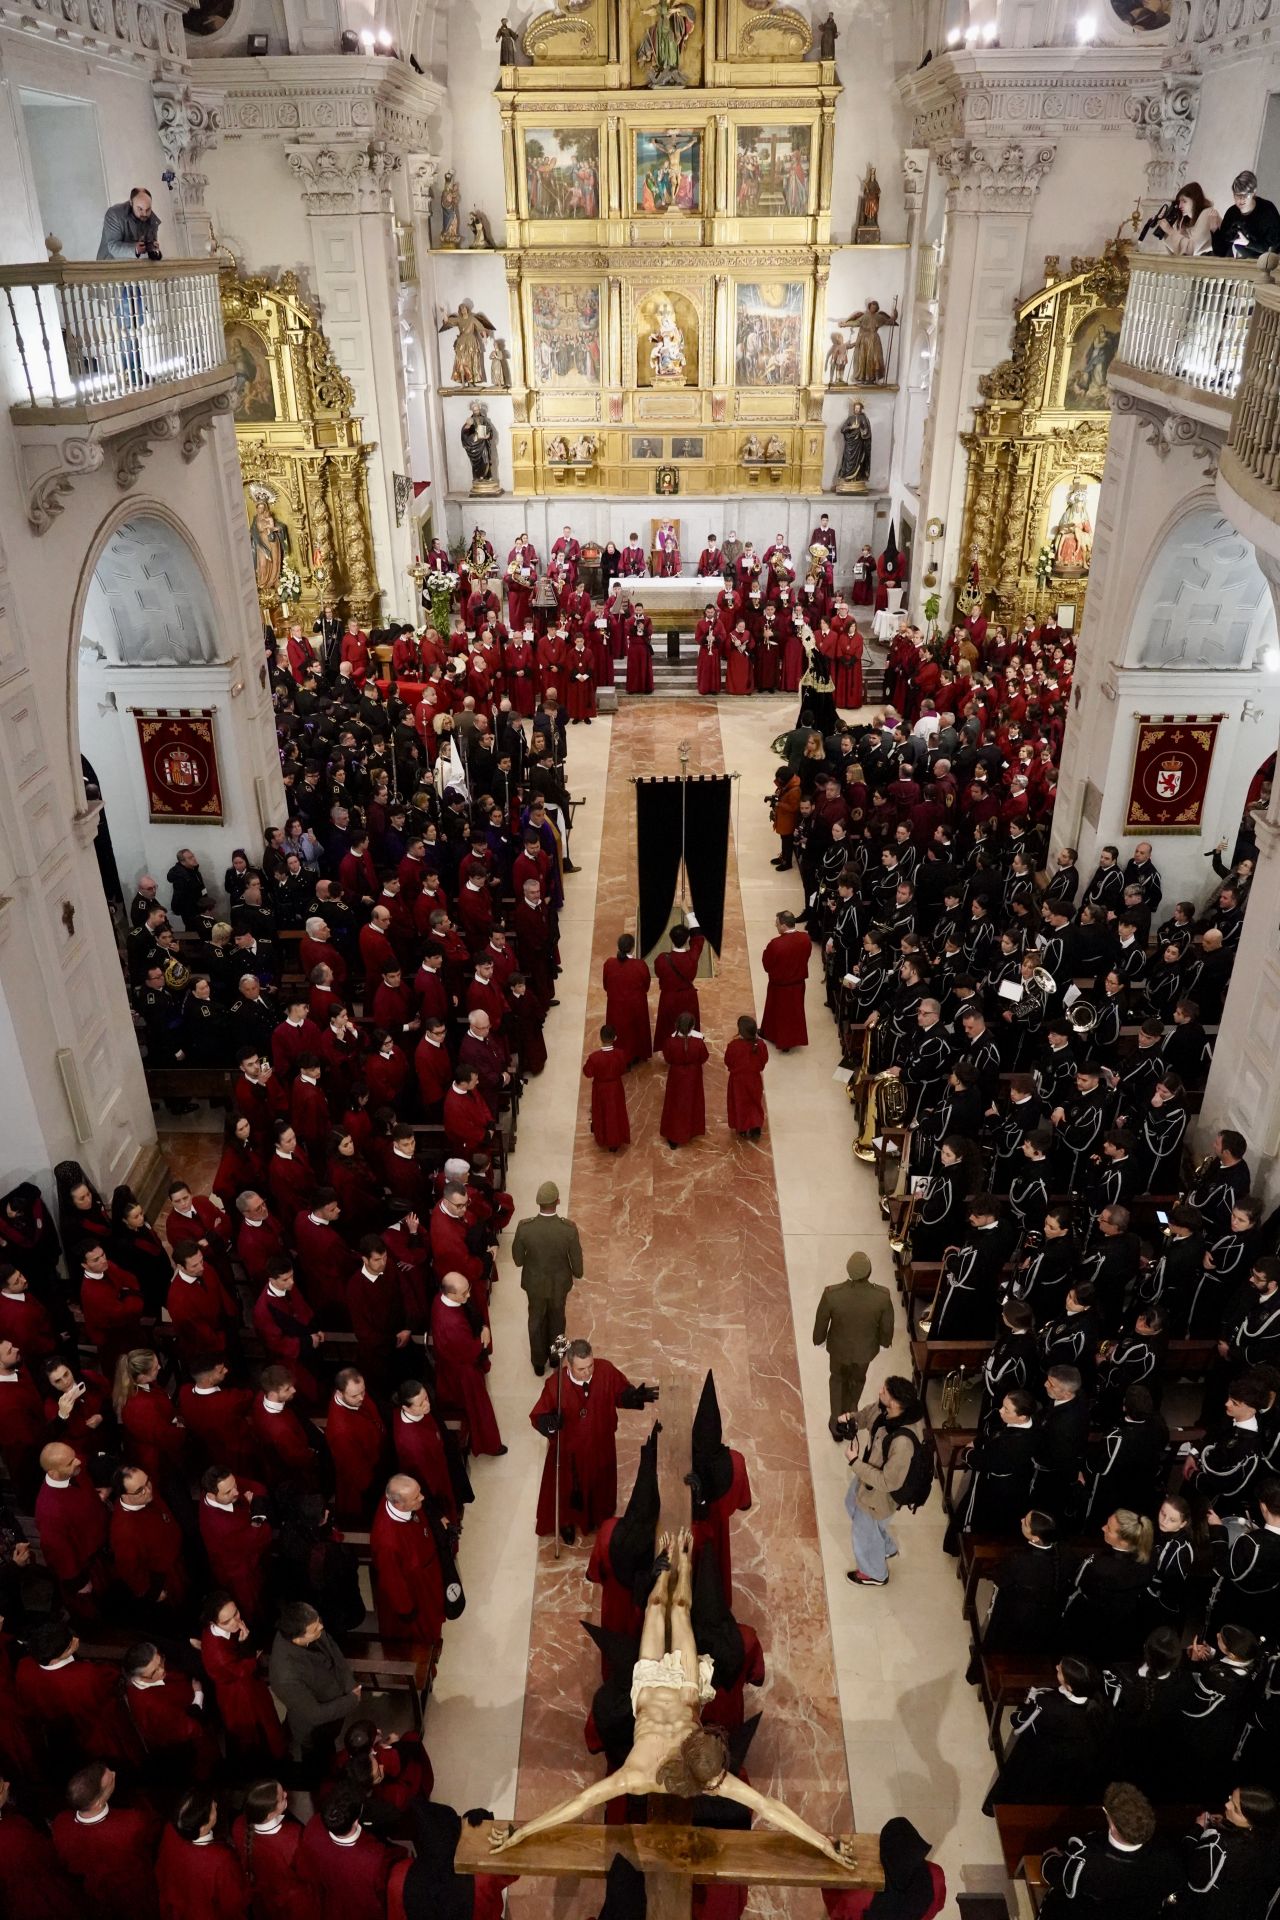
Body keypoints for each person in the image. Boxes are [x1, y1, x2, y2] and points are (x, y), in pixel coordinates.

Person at [488, 1529, 859, 1868]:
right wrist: (824, 1843)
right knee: (681, 1609)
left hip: (649, 1687)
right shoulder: (712, 1775)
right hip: (684, 1688)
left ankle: (665, 1568)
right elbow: (768, 1806)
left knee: (655, 1607)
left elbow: (578, 1803)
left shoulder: (639, 1776)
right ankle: (682, 1557)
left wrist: (520, 1833)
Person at [529, 1342, 659, 1543]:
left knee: (600, 1485)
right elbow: (539, 1416)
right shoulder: (556, 1385)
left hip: (600, 1445)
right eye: (581, 1369)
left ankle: (598, 1518)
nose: (588, 1372)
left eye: (590, 1366)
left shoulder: (605, 1370)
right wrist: (550, 1423)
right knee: (567, 1490)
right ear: (569, 1366)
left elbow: (620, 1393)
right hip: (569, 1453)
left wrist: (633, 1397)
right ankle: (567, 1523)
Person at [1039, 1781, 1180, 1918]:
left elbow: (1049, 1871)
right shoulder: (1167, 1858)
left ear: (1110, 1821)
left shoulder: (1085, 1861)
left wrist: (1051, 1855)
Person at [842, 1376, 926, 1586]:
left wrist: (854, 1462)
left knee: (862, 1532)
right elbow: (865, 1416)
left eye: (885, 1390)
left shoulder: (903, 1442)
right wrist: (850, 1419)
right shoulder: (884, 1410)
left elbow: (889, 1483)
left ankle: (875, 1574)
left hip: (879, 1496)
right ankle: (886, 1547)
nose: (880, 1390)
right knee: (851, 1502)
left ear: (896, 1403)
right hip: (868, 1480)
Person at [268, 1599, 361, 1770]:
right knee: (320, 1763)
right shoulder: (286, 1676)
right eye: (315, 1629)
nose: (321, 1628)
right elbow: (315, 1714)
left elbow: (332, 1650)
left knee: (331, 1751)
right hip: (316, 1730)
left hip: (333, 1709)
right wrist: (352, 1699)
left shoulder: (311, 1626)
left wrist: (349, 1685)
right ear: (297, 1639)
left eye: (319, 1622)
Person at [813, 1252, 894, 1438]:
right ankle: (851, 1419)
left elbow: (821, 1320)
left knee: (837, 1379)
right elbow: (887, 1325)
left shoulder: (832, 1294)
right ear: (869, 1272)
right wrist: (883, 1343)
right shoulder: (882, 1296)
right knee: (857, 1381)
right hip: (865, 1352)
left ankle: (836, 1421)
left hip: (839, 1350)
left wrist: (819, 1340)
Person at [511, 1181, 584, 1375]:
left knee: (535, 1321)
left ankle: (538, 1362)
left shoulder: (525, 1228)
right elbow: (576, 1259)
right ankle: (555, 1358)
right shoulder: (568, 1229)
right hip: (559, 1284)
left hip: (534, 1284)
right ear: (557, 1201)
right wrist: (578, 1273)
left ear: (538, 1203)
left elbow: (518, 1260)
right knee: (558, 1319)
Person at [821, 1817, 945, 1920]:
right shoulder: (936, 1876)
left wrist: (831, 1860)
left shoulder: (859, 1897)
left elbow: (835, 1909)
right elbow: (939, 1905)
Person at [760, 910, 811, 1051]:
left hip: (780, 985)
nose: (775, 926)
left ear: (783, 925)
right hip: (798, 984)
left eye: (777, 924)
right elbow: (806, 957)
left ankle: (779, 1039)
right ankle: (793, 1038)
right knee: (795, 1013)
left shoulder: (776, 944)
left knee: (778, 1013)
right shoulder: (805, 939)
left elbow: (767, 964)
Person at [660, 1012, 709, 1148]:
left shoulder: (670, 1042)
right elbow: (704, 1057)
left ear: (676, 1026)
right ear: (693, 1027)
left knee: (675, 1104)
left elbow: (668, 1058)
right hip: (694, 1076)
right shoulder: (698, 1042)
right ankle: (691, 1130)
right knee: (692, 1102)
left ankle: (674, 1136)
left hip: (676, 1077)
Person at [603, 933, 653, 1066]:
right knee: (635, 1032)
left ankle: (619, 1055)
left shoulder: (609, 963)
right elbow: (646, 986)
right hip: (636, 1006)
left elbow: (606, 985)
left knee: (619, 1031)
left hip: (615, 1005)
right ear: (632, 948)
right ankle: (636, 1054)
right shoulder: (640, 965)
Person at [1211, 168, 1280, 258]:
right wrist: (1214, 230)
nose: (1241, 200)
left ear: (1253, 193)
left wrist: (1248, 243)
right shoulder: (1232, 214)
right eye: (1237, 195)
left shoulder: (1267, 210)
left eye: (1245, 195)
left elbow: (1274, 246)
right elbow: (1220, 252)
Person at [583, 1025, 631, 1150]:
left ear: (600, 1038)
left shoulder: (594, 1057)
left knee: (602, 1113)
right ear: (615, 1038)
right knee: (615, 1113)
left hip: (600, 1089)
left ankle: (603, 1137)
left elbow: (587, 1073)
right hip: (616, 1087)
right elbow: (623, 1069)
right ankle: (616, 1140)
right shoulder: (620, 1054)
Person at [723, 1014, 768, 1139]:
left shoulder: (734, 1046)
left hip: (737, 1081)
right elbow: (764, 1061)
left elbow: (728, 1061)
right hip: (754, 1080)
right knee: (754, 1102)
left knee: (740, 1103)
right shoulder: (760, 1045)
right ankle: (755, 1127)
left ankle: (742, 1127)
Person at [1151, 180, 1221, 256]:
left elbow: (1189, 250)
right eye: (1179, 202)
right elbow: (1177, 253)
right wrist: (1164, 231)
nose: (1180, 206)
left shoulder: (1208, 213)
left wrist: (1170, 231)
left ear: (1195, 201)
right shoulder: (1187, 223)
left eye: (1184, 201)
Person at [97, 186, 162, 260]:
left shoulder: (152, 219)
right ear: (131, 203)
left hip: (135, 267)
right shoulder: (114, 214)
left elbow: (150, 248)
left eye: (148, 209)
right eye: (140, 209)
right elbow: (113, 247)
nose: (144, 214)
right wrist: (135, 249)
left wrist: (154, 250)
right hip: (109, 266)